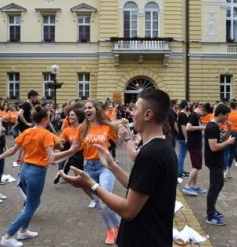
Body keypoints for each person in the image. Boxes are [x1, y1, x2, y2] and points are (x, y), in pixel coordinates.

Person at [60, 88, 178, 247]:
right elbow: (138, 186)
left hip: (144, 240)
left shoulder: (151, 154)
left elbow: (128, 211)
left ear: (148, 115)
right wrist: (111, 165)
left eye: (135, 108)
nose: (132, 113)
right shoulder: (164, 147)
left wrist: (91, 184)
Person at [0, 106, 67, 247]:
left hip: (25, 171)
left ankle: (23, 231)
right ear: (45, 120)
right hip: (36, 173)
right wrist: (71, 151)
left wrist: (0, 156)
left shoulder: (27, 131)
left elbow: (13, 150)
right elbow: (52, 157)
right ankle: (8, 236)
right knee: (31, 205)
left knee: (32, 202)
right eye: (49, 118)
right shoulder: (45, 134)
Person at [205, 103, 235, 226]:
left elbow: (221, 139)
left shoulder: (216, 126)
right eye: (226, 115)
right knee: (214, 187)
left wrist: (228, 129)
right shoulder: (212, 127)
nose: (227, 118)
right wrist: (228, 142)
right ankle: (210, 215)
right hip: (214, 161)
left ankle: (212, 209)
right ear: (221, 114)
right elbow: (214, 147)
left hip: (217, 160)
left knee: (219, 184)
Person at [182, 103, 207, 196]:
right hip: (194, 144)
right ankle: (187, 186)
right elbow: (188, 127)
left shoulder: (195, 116)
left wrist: (201, 128)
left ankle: (194, 185)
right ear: (200, 108)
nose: (204, 115)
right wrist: (200, 127)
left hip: (196, 144)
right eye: (204, 113)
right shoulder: (193, 115)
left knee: (196, 166)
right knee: (197, 166)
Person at [177, 100, 190, 178]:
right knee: (182, 155)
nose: (188, 105)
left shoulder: (181, 114)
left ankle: (181, 171)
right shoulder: (182, 114)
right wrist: (186, 138)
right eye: (187, 104)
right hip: (182, 137)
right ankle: (180, 173)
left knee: (182, 155)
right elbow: (183, 127)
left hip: (181, 137)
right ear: (185, 106)